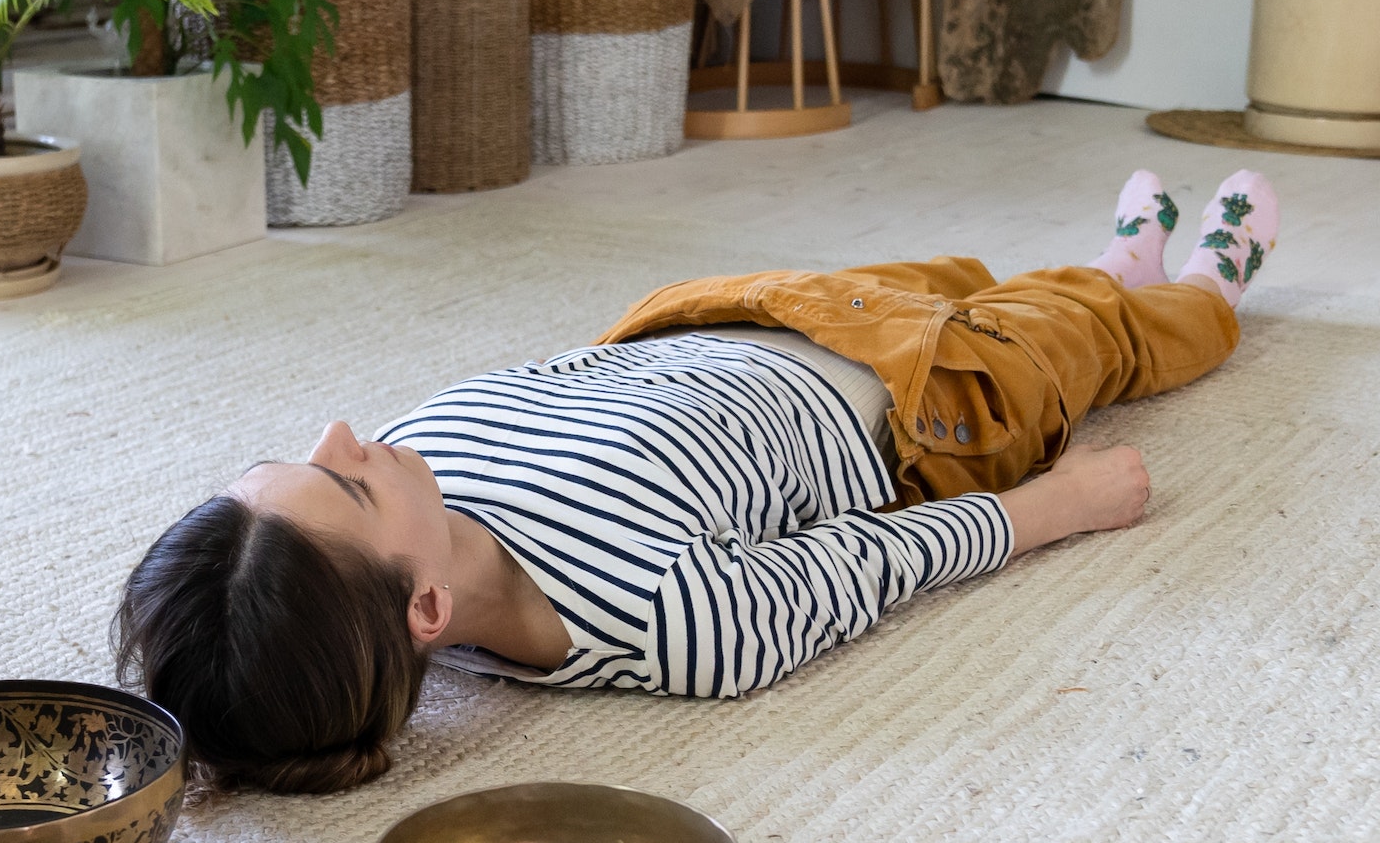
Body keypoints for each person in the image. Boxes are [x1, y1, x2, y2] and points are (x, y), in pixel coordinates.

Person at [114, 170, 1281, 794]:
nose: (338, 431)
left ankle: (1111, 263)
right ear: (424, 607)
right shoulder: (666, 620)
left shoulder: (411, 462)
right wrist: (1050, 508)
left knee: (959, 270)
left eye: (300, 457)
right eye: (343, 481)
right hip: (929, 402)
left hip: (745, 312)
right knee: (1078, 340)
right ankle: (1202, 292)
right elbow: (869, 562)